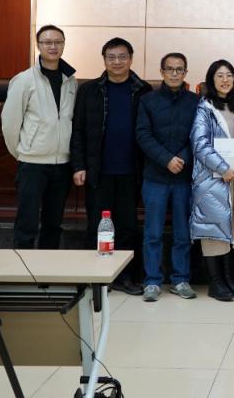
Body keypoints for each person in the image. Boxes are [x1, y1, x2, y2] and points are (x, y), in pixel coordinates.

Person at [70, 37, 152, 295]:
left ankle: (125, 277)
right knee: (96, 225)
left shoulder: (143, 90)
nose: (117, 62)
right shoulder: (89, 90)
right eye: (111, 57)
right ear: (104, 60)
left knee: (128, 227)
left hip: (132, 171)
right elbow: (78, 130)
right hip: (98, 171)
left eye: (122, 56)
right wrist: (79, 165)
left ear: (131, 59)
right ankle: (95, 277)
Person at [1, 24, 77, 249]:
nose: (53, 46)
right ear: (38, 45)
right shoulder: (24, 79)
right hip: (33, 163)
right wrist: (23, 152)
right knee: (27, 222)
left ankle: (48, 267)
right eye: (47, 42)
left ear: (64, 44)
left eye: (58, 42)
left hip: (62, 163)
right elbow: (10, 123)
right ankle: (23, 266)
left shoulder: (70, 79)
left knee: (54, 223)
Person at [136, 52, 199, 301]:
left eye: (179, 69)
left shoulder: (196, 102)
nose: (174, 73)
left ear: (185, 73)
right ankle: (152, 281)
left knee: (183, 233)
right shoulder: (148, 101)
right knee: (152, 232)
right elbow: (142, 135)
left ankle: (180, 279)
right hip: (155, 177)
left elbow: (198, 136)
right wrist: (166, 159)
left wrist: (181, 158)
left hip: (184, 177)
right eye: (170, 69)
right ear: (161, 72)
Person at [190, 60, 234, 301]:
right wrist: (222, 168)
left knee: (228, 227)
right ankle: (215, 283)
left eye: (229, 75)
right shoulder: (204, 108)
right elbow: (199, 144)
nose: (225, 80)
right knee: (212, 228)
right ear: (211, 80)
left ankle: (228, 280)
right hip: (210, 178)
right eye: (220, 75)